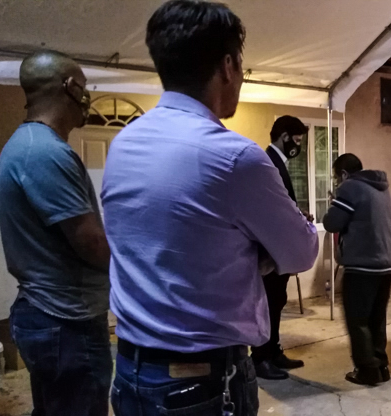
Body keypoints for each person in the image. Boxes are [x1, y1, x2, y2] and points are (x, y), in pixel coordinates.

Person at [101, 2, 319, 415]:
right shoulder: (236, 158)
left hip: (131, 371)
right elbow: (300, 253)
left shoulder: (125, 143)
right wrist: (258, 255)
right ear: (228, 66)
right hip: (202, 382)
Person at [0, 50, 112, 416]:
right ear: (70, 87)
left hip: (51, 316)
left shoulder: (30, 145)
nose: (87, 97)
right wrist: (142, 268)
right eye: (84, 87)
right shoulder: (45, 152)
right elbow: (90, 243)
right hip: (66, 321)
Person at [323, 154, 391, 386]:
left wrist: (334, 202)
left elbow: (332, 223)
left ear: (344, 174)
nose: (337, 182)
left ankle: (367, 370)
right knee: (377, 317)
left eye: (337, 177)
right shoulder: (381, 188)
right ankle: (381, 366)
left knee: (358, 319)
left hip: (363, 263)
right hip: (386, 262)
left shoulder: (350, 188)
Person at [253, 115, 312, 380]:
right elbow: (271, 208)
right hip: (270, 250)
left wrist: (298, 214)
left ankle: (274, 351)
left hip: (279, 249)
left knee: (277, 301)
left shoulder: (277, 162)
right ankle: (261, 357)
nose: (298, 146)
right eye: (296, 140)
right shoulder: (269, 162)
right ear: (285, 136)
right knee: (268, 304)